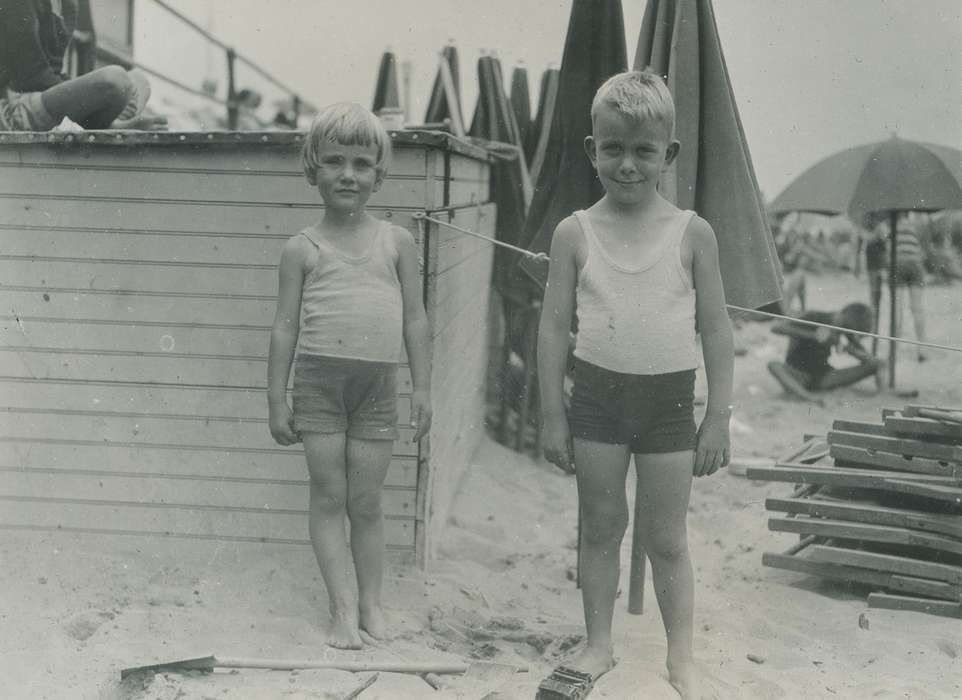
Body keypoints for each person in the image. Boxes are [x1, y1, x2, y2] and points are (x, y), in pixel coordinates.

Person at [538, 71, 733, 700]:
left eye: (644, 150)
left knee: (666, 536)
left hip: (669, 402)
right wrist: (550, 414)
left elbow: (717, 331)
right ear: (593, 149)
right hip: (596, 398)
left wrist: (719, 418)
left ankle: (681, 658)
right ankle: (598, 645)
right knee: (599, 524)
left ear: (667, 155)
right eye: (613, 148)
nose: (627, 164)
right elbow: (550, 330)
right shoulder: (574, 232)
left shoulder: (692, 232)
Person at [267, 103, 432, 649]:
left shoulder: (397, 242)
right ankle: (341, 609)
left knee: (366, 500)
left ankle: (371, 605)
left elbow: (415, 319)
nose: (348, 175)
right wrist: (276, 400)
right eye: (334, 161)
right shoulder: (302, 249)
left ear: (379, 174)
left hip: (376, 387)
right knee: (328, 495)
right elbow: (285, 330)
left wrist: (424, 389)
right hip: (319, 384)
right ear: (312, 167)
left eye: (362, 164)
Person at [0, 0, 166, 131]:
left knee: (139, 79)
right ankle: (110, 126)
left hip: (43, 97)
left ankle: (109, 125)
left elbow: (55, 69)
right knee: (116, 81)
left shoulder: (66, 4)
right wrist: (86, 98)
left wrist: (84, 96)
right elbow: (30, 76)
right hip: (14, 105)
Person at [766, 302, 883, 405]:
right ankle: (806, 396)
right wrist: (812, 336)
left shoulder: (845, 329)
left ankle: (883, 396)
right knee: (773, 365)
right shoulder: (815, 316)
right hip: (797, 373)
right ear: (845, 315)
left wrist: (851, 350)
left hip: (823, 377)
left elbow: (872, 362)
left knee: (877, 364)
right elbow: (777, 328)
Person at [893, 219, 928, 362]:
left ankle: (894, 350)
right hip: (915, 263)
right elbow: (923, 247)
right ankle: (922, 349)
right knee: (917, 308)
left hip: (898, 262)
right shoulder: (917, 222)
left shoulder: (891, 221)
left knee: (897, 308)